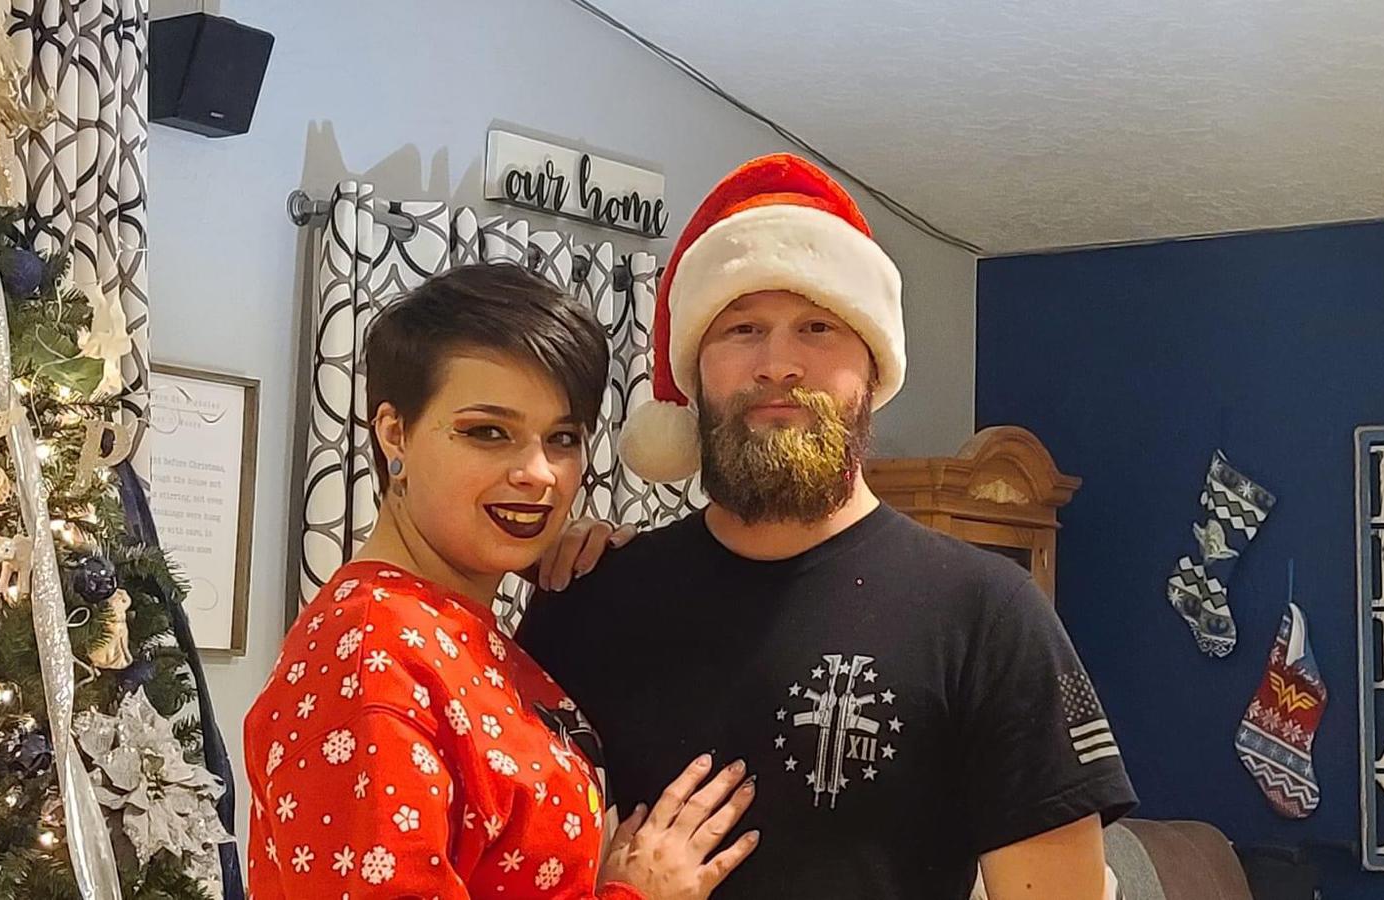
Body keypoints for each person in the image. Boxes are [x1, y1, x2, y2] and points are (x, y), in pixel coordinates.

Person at [516, 155, 1138, 900]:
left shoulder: (991, 618)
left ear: (872, 370)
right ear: (692, 377)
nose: (778, 363)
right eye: (742, 328)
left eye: (817, 326)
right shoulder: (588, 602)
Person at [245, 263, 759, 898]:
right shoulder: (373, 654)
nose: (539, 473)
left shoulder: (451, 628)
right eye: (488, 432)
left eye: (562, 438)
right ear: (395, 434)